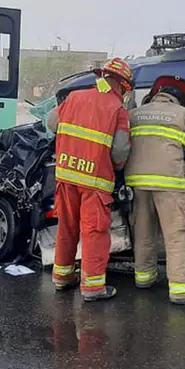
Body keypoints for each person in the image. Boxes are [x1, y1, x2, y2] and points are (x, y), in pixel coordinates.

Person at [46, 58, 134, 301]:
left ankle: (62, 277)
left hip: (65, 176)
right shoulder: (118, 110)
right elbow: (119, 152)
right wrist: (117, 168)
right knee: (94, 232)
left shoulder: (74, 98)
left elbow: (51, 123)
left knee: (67, 227)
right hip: (95, 182)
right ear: (122, 85)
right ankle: (93, 287)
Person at [124, 75, 185, 305]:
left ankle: (144, 279)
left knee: (143, 234)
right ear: (178, 98)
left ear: (156, 93)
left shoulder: (134, 115)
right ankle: (183, 291)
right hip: (170, 185)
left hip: (136, 185)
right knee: (178, 238)